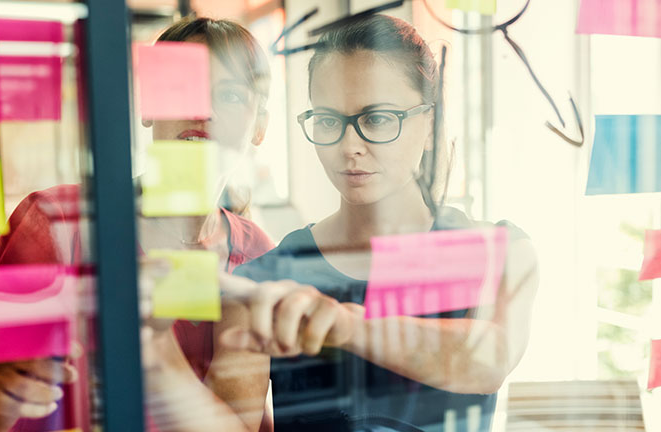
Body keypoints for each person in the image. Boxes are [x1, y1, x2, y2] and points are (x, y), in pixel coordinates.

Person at [0, 17, 276, 432]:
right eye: (182, 86)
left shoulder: (258, 255)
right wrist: (2, 403)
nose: (205, 109)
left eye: (231, 94)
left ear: (261, 126)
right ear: (147, 105)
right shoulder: (53, 224)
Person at [229, 14, 539, 431]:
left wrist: (346, 325)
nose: (349, 146)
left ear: (430, 121)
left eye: (376, 119)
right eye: (327, 120)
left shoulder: (499, 251)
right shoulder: (265, 279)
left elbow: (488, 360)